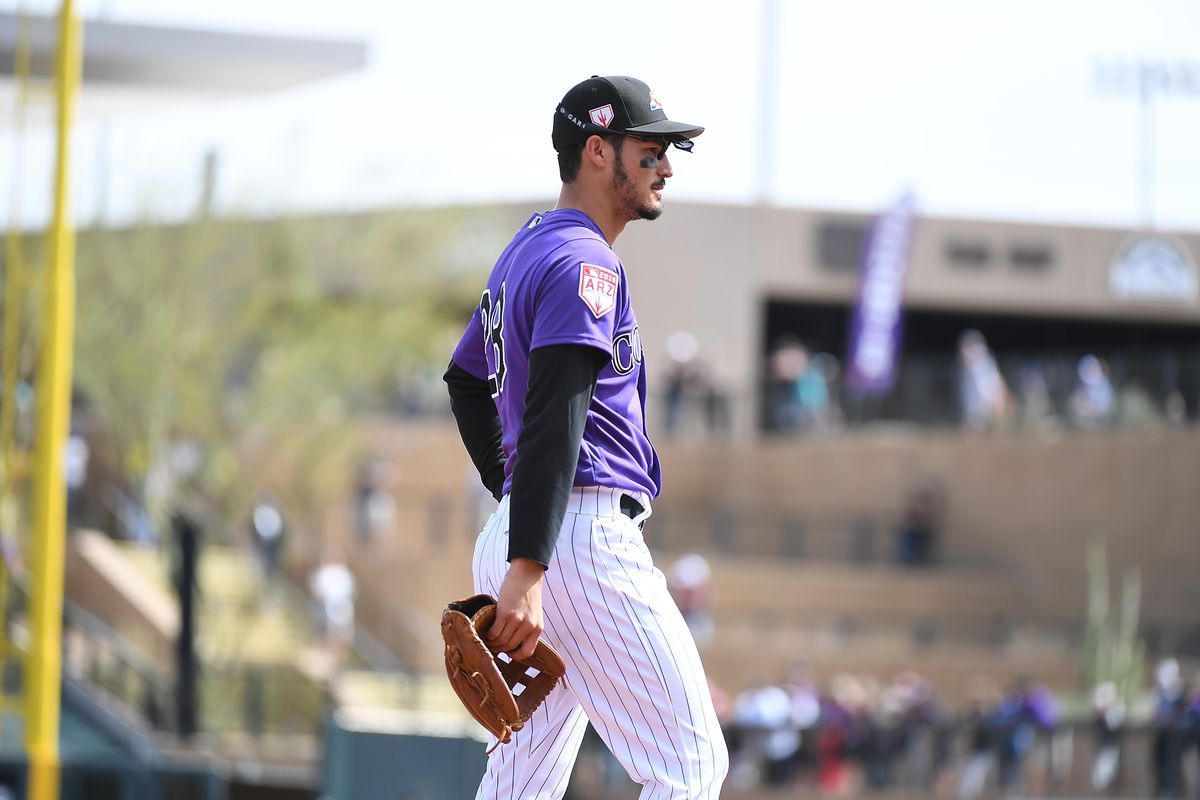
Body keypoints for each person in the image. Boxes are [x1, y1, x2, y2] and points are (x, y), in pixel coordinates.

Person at [443, 75, 727, 798]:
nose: (666, 164)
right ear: (598, 151)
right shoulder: (585, 262)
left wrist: (515, 515)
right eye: (651, 148)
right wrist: (531, 565)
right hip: (576, 538)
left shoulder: (527, 250)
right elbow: (557, 414)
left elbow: (466, 381)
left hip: (531, 530)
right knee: (691, 767)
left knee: (521, 781)